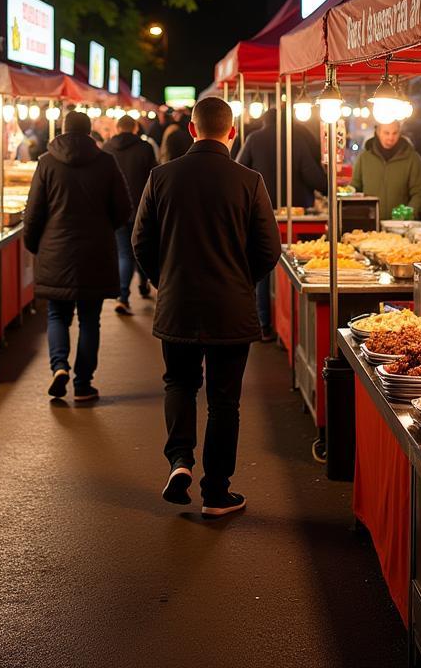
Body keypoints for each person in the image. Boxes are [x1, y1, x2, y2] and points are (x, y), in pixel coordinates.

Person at [132, 96, 282, 518]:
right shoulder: (249, 181)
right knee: (224, 402)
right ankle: (216, 492)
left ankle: (180, 461)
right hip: (230, 308)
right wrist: (239, 279)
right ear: (232, 133)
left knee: (179, 384)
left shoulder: (161, 177)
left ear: (193, 130)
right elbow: (269, 249)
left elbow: (140, 241)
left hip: (178, 305)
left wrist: (166, 280)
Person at [24, 110, 131, 402]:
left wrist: (36, 246)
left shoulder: (46, 163)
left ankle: (59, 367)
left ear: (62, 129)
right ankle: (83, 384)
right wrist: (105, 227)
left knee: (57, 315)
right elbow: (123, 208)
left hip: (55, 250)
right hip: (95, 252)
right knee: (89, 319)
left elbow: (33, 212)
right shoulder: (106, 162)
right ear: (89, 132)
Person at [237, 107, 327, 341]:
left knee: (263, 270)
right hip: (296, 213)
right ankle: (296, 326)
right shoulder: (295, 139)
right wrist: (331, 186)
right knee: (296, 268)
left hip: (261, 212)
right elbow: (313, 176)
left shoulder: (254, 139)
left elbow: (239, 170)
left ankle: (264, 324)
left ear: (264, 121)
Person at [103, 115, 157, 313]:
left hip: (116, 210)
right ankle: (137, 287)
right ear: (136, 129)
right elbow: (154, 179)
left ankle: (123, 296)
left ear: (117, 128)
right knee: (140, 249)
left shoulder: (107, 149)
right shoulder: (145, 148)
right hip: (141, 209)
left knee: (124, 253)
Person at [349, 120, 421, 221]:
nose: (391, 138)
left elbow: (419, 193)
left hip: (402, 227)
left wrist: (409, 213)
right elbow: (355, 187)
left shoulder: (413, 159)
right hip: (370, 224)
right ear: (377, 132)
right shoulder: (364, 158)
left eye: (395, 133)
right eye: (386, 133)